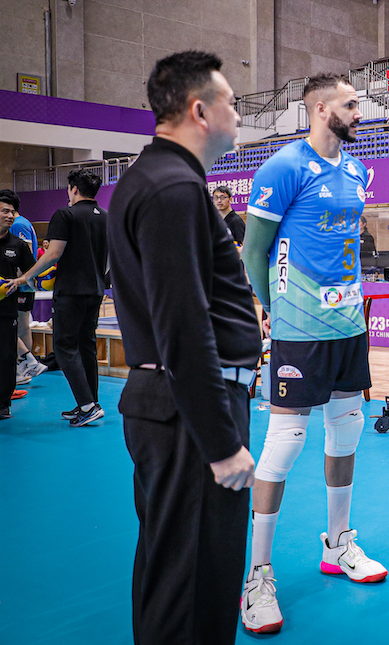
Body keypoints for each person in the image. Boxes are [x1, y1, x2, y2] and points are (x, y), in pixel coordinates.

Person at [106, 51, 260, 644]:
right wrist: (220, 443)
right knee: (193, 581)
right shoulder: (173, 189)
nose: (239, 116)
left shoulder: (156, 180)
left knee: (176, 570)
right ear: (199, 111)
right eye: (231, 103)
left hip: (175, 406)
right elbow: (183, 326)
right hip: (189, 414)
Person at [238, 73, 385, 634]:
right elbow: (254, 251)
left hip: (348, 323)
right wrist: (270, 309)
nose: (359, 111)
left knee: (347, 430)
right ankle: (258, 576)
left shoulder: (357, 170)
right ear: (321, 109)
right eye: (351, 104)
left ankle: (338, 543)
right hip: (298, 327)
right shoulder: (283, 168)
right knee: (285, 442)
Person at [9, 169, 110, 426]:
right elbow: (110, 258)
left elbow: (53, 254)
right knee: (86, 346)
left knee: (64, 348)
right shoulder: (106, 216)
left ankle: (87, 406)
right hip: (96, 290)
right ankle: (91, 402)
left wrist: (25, 277)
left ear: (74, 189)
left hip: (71, 291)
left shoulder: (65, 214)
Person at [0, 191, 36, 420]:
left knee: (6, 358)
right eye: (5, 211)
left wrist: (20, 281)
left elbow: (32, 273)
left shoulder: (18, 245)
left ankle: (3, 404)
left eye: (12, 212)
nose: (10, 215)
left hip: (6, 311)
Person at [6, 195, 42, 382]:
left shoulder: (19, 224)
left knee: (21, 325)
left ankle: (25, 368)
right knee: (20, 325)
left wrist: (18, 281)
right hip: (20, 284)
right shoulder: (21, 223)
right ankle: (25, 366)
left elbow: (23, 255)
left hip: (21, 286)